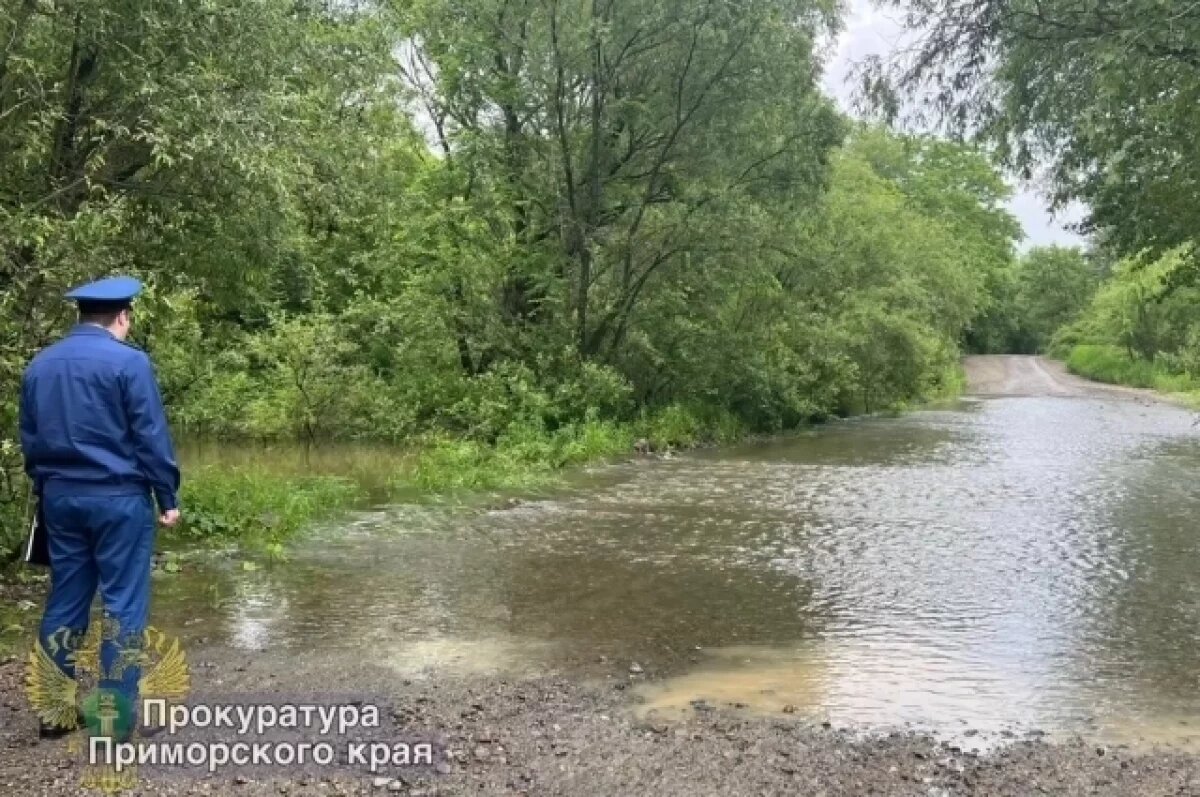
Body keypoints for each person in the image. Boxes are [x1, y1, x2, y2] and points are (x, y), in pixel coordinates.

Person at [19, 276, 181, 738]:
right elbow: (150, 436)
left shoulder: (40, 365)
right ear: (122, 316)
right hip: (118, 499)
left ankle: (54, 713)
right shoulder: (129, 364)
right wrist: (166, 496)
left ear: (80, 316)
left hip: (60, 500)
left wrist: (48, 487)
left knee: (66, 600)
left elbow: (30, 438)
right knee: (123, 606)